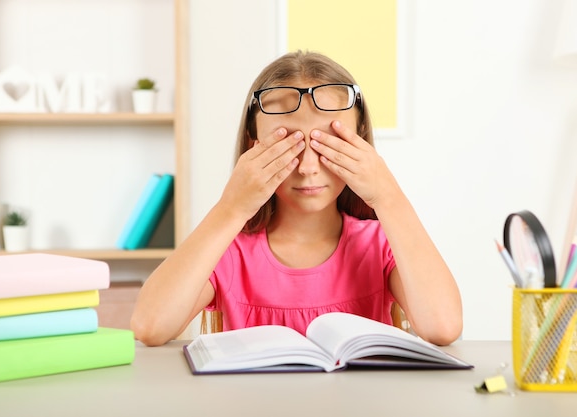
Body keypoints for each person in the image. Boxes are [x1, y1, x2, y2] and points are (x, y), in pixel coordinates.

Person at [131, 50, 462, 347]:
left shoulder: (379, 245)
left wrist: (388, 196)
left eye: (328, 146)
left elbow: (443, 326)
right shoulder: (230, 252)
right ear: (253, 147)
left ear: (359, 145)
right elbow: (150, 326)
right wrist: (231, 208)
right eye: (287, 145)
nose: (307, 168)